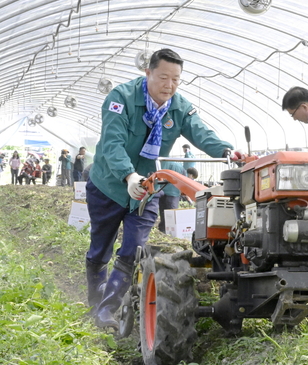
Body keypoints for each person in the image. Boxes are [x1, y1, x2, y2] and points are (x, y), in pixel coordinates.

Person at [85, 48, 238, 330]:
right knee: (99, 249)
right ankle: (95, 300)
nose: (170, 85)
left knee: (133, 250)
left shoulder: (179, 107)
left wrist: (229, 151)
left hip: (148, 190)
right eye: (164, 77)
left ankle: (107, 311)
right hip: (109, 186)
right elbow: (112, 144)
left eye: (176, 79)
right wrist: (129, 176)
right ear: (148, 73)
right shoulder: (121, 98)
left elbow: (201, 133)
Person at [157, 161, 186, 233]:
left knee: (163, 212)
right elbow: (184, 178)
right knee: (173, 213)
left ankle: (163, 229)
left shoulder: (163, 163)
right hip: (175, 193)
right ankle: (173, 230)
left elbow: (159, 177)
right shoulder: (180, 166)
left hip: (164, 191)